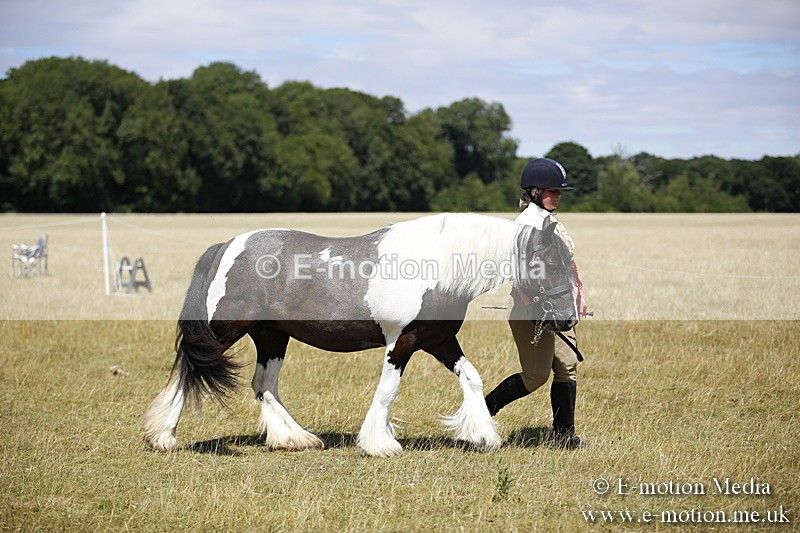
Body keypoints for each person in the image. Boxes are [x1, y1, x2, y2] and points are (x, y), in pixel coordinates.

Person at [484, 157, 589, 448]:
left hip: (561, 304)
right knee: (535, 376)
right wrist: (535, 305)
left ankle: (564, 437)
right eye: (552, 190)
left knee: (567, 366)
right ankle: (481, 413)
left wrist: (580, 291)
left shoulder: (549, 220)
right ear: (533, 192)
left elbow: (568, 261)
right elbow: (518, 274)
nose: (558, 195)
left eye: (559, 191)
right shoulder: (526, 226)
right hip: (533, 311)